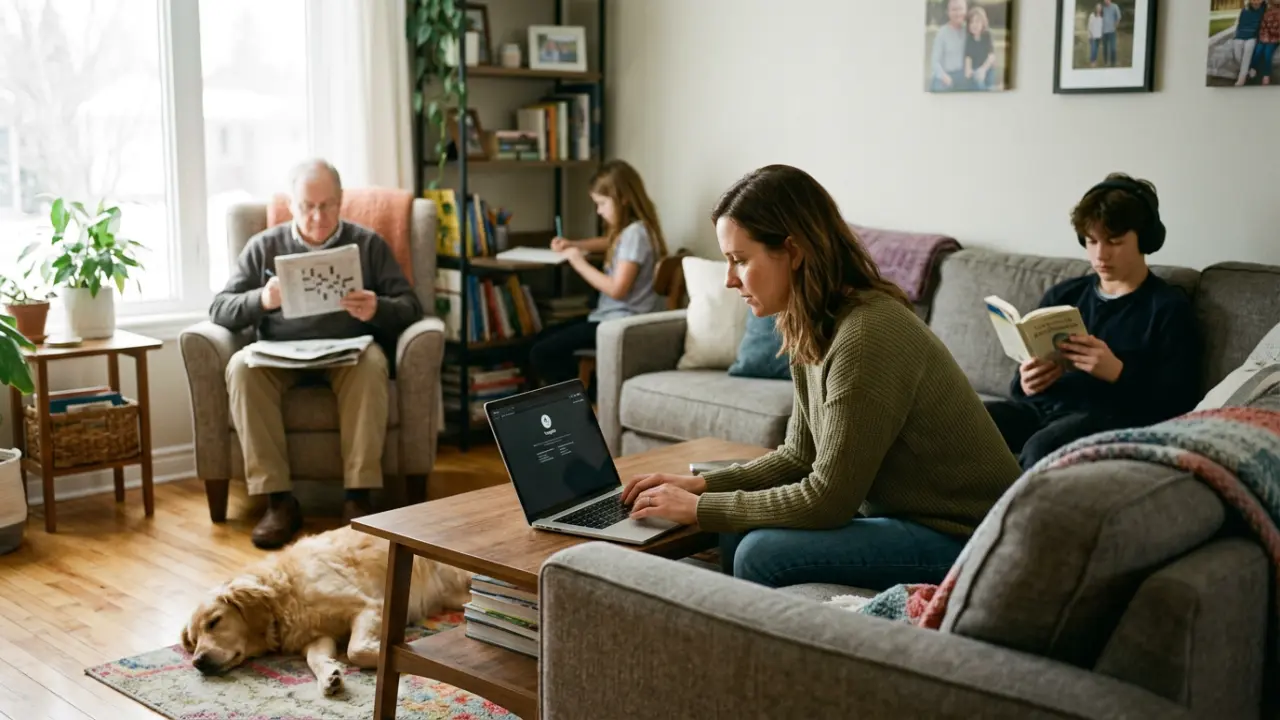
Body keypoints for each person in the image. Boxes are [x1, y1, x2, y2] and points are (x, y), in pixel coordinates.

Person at [619, 164, 1023, 591]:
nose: (730, 279)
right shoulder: (810, 322)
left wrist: (700, 508)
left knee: (762, 554)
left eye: (740, 259)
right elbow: (798, 457)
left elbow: (828, 500)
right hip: (908, 519)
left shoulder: (866, 334)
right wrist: (699, 485)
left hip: (972, 540)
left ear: (793, 252)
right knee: (736, 528)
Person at [210, 159, 423, 549]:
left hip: (348, 353)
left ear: (341, 202)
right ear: (291, 205)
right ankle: (278, 501)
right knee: (241, 367)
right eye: (307, 206)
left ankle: (358, 497)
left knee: (373, 362)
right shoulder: (264, 246)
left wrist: (378, 308)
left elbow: (411, 307)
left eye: (326, 205)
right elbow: (219, 310)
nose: (317, 216)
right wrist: (262, 299)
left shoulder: (369, 244)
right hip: (279, 355)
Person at [983, 173, 1201, 470]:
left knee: (1041, 448)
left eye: (1114, 241)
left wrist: (1118, 372)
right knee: (968, 421)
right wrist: (1026, 382)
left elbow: (1180, 404)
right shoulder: (1064, 294)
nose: (1100, 255)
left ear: (1145, 240)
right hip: (1041, 409)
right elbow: (1021, 386)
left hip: (1107, 419)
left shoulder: (1166, 308)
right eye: (1091, 241)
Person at [528, 159, 667, 387]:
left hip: (621, 323)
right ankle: (583, 393)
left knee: (541, 352)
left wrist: (577, 261)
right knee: (541, 339)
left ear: (623, 198)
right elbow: (609, 242)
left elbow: (617, 289)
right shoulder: (637, 231)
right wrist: (574, 243)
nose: (599, 211)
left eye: (602, 204)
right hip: (612, 319)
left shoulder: (634, 235)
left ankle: (583, 398)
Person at [930, 0, 970, 91]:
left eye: (960, 9)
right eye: (954, 10)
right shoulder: (942, 33)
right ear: (948, 12)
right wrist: (944, 76)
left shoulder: (969, 31)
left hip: (963, 76)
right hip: (945, 75)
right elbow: (935, 62)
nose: (958, 13)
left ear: (966, 11)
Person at [1232, 0, 1265, 86]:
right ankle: (1249, 70)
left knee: (1248, 51)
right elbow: (1240, 24)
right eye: (1254, 2)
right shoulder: (1244, 10)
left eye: (1258, 2)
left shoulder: (1264, 10)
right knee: (1237, 55)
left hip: (1252, 36)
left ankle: (1241, 78)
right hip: (1240, 35)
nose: (1256, 3)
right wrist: (1237, 34)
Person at [964, 5, 996, 90]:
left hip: (987, 68)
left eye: (977, 22)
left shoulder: (987, 35)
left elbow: (991, 56)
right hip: (975, 69)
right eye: (971, 22)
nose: (974, 25)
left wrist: (983, 70)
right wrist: (968, 69)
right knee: (976, 82)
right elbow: (968, 56)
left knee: (987, 86)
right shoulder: (969, 38)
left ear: (983, 23)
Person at [1101, 0, 1121, 67]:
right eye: (1105, 0)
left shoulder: (1115, 6)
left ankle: (1113, 62)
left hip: (1112, 31)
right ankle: (1106, 62)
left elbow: (1118, 17)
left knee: (1113, 48)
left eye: (1107, 0)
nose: (1106, 1)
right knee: (1105, 48)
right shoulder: (1103, 8)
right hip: (1104, 32)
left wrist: (1115, 26)